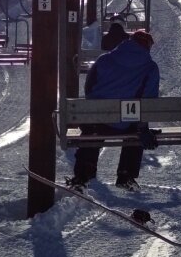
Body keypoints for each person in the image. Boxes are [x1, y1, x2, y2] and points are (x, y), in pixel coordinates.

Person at [67, 29, 160, 191]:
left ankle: (82, 177)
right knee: (136, 126)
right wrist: (143, 129)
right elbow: (148, 103)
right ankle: (126, 175)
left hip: (97, 119)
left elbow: (89, 87)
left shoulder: (104, 59)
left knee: (92, 130)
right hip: (125, 122)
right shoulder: (150, 68)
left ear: (128, 41)